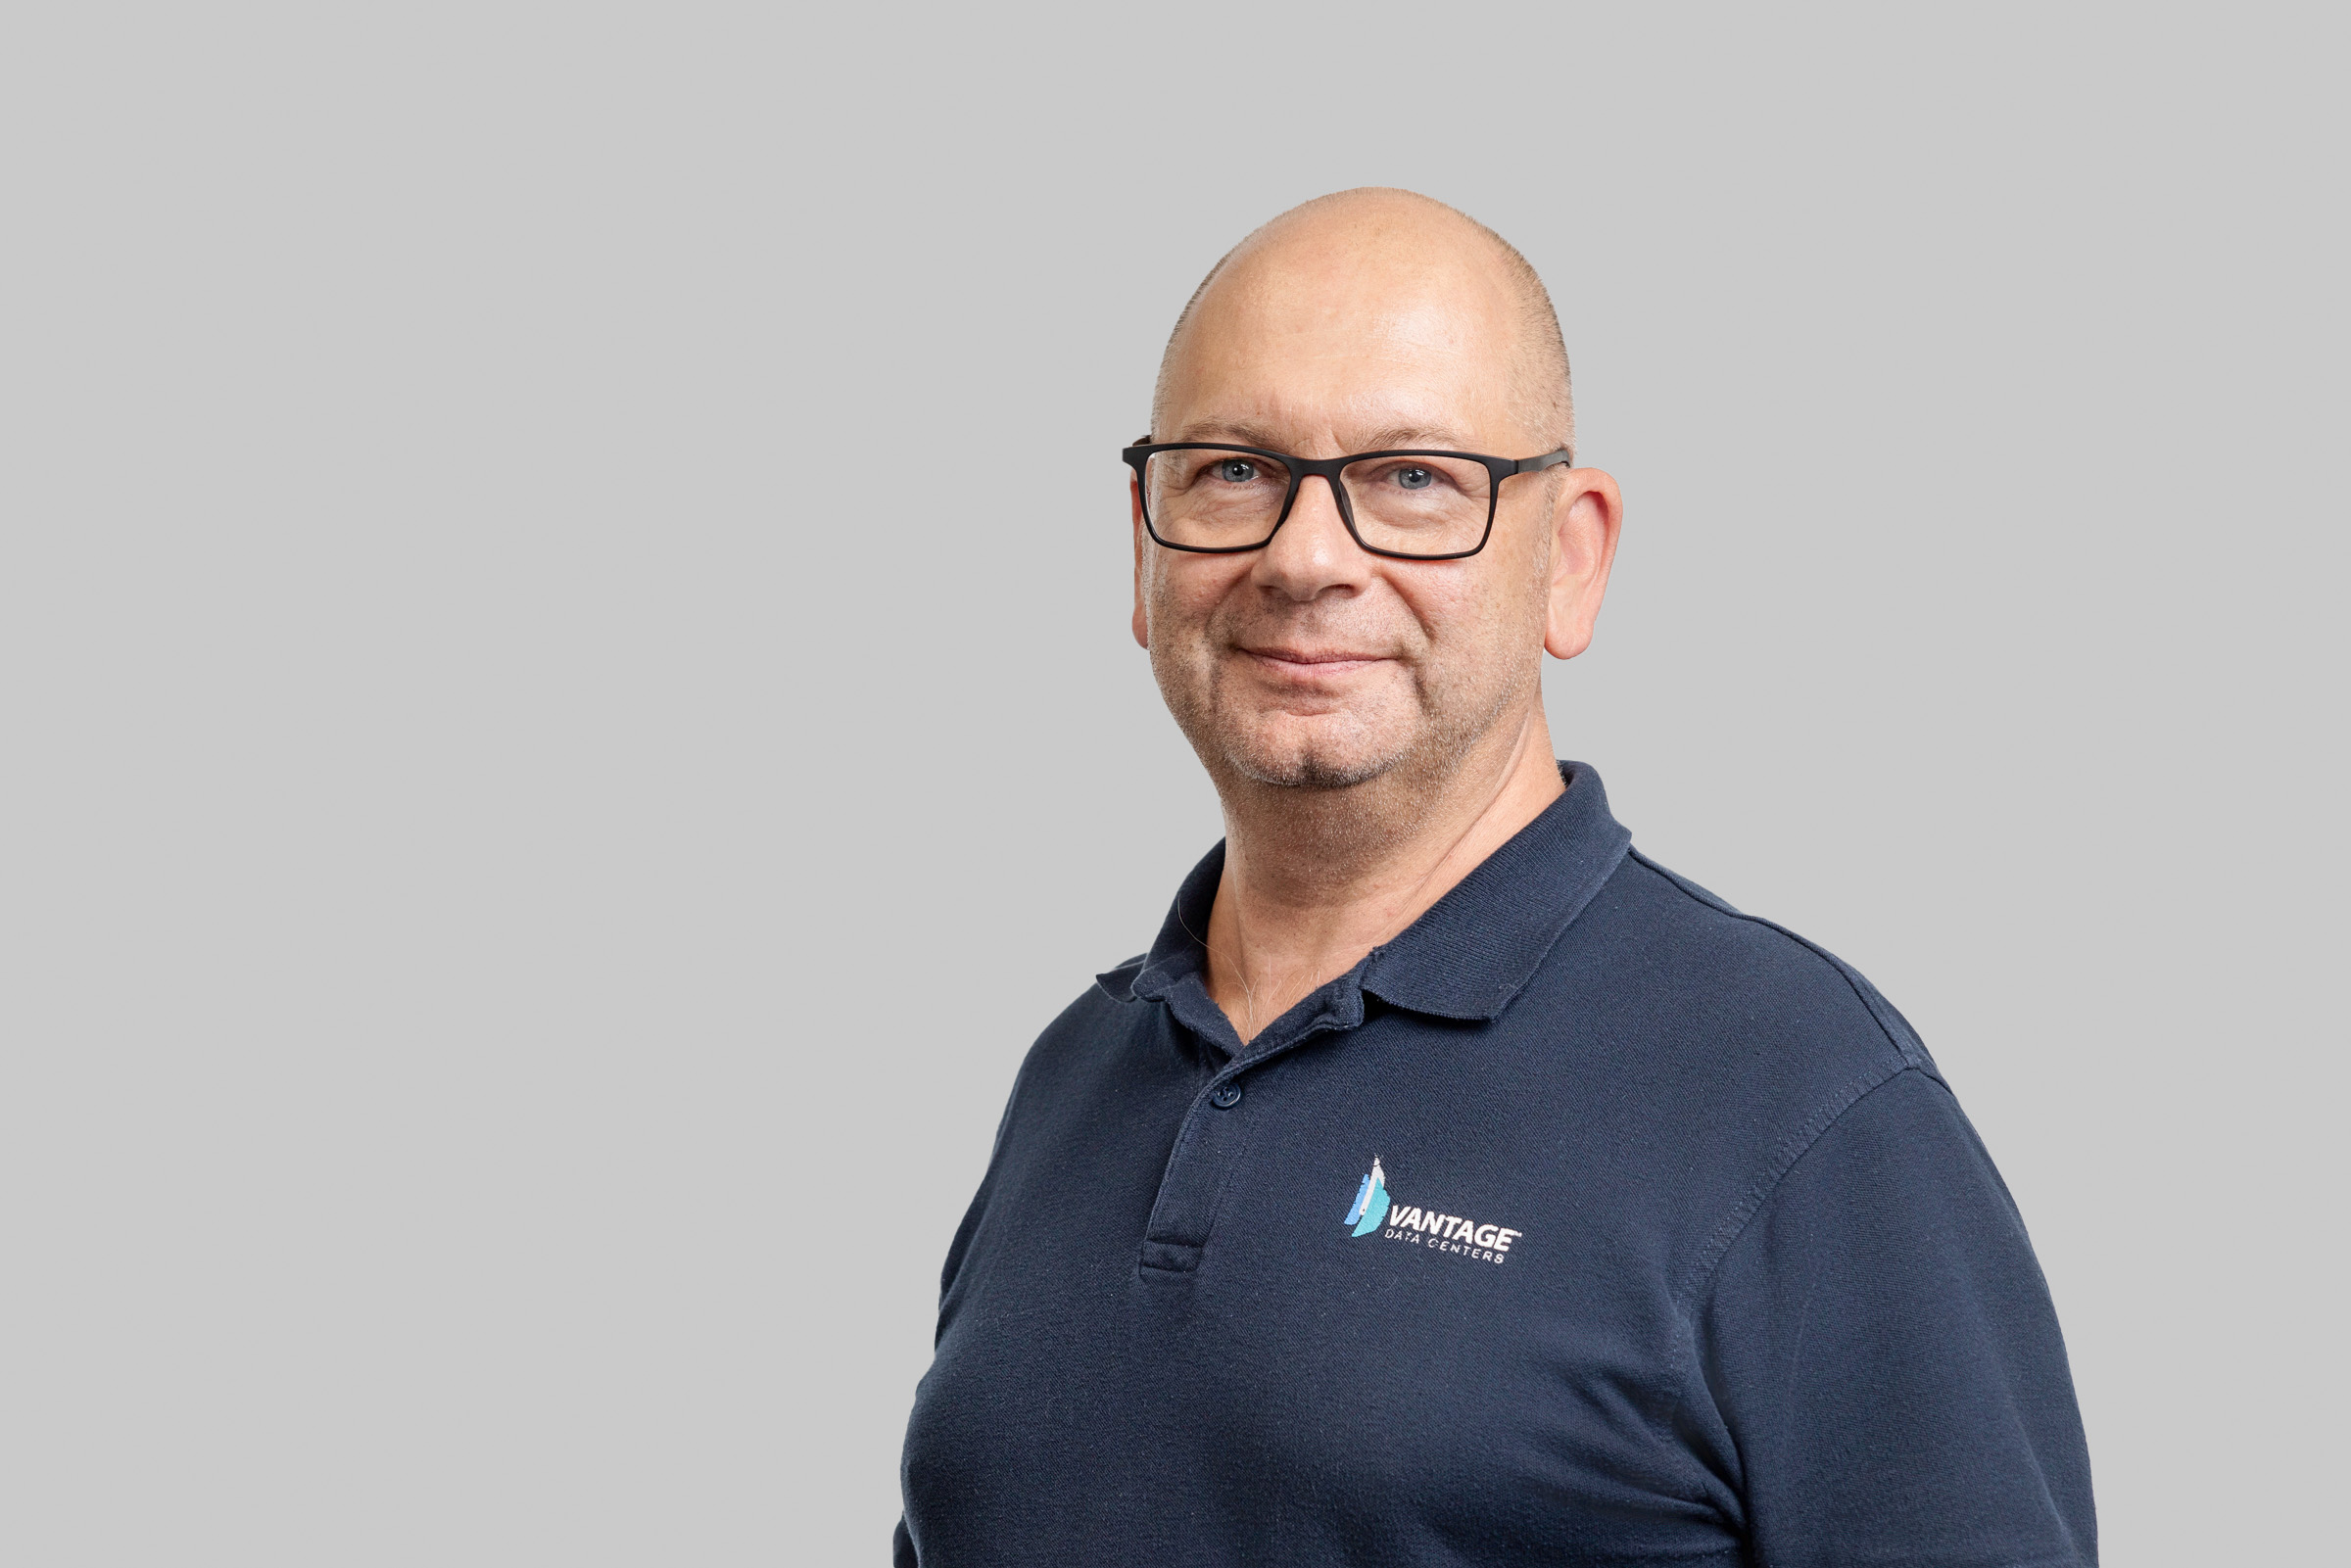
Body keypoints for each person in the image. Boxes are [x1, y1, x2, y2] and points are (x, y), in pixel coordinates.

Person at [892, 188, 2095, 1567]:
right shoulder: (1075, 1081)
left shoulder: (1803, 1104)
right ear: (1142, 542)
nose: (1304, 557)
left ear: (1570, 557)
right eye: (1232, 470)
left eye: (1413, 479)